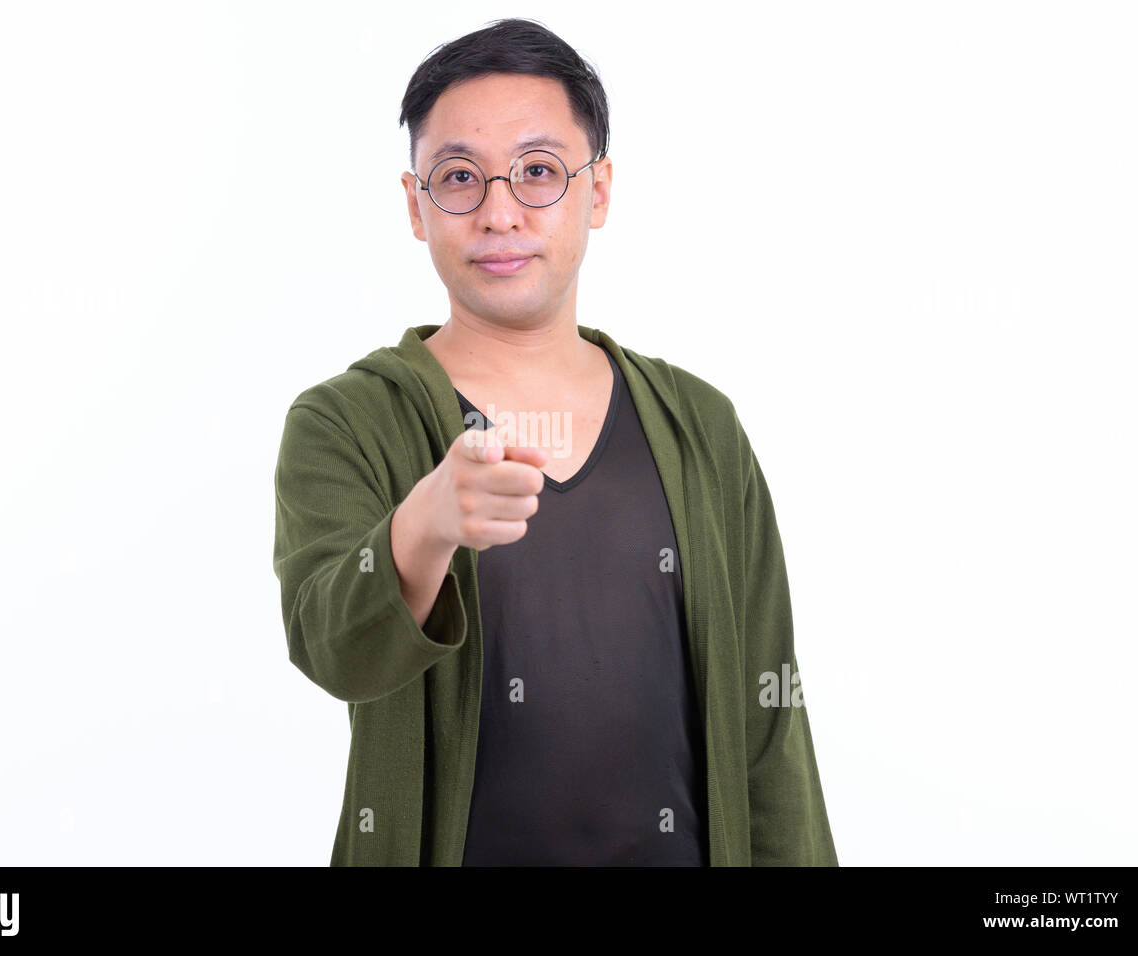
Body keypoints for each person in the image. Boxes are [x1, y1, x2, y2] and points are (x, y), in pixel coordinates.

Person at [272, 17, 838, 866]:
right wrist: (422, 524)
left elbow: (770, 733)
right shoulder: (348, 421)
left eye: (538, 172)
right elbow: (329, 649)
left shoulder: (701, 427)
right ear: (415, 206)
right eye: (458, 177)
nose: (499, 213)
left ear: (597, 190)